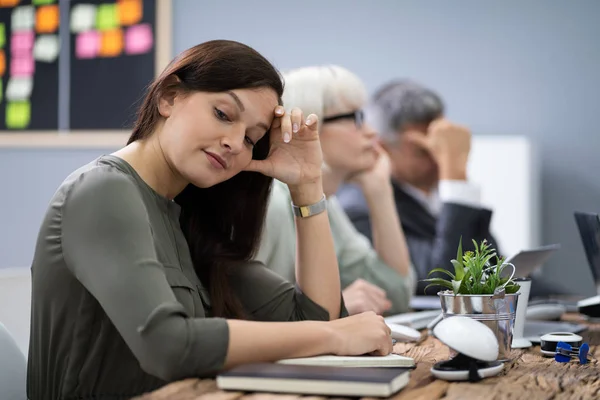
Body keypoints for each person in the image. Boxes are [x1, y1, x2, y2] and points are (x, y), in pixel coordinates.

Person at [26, 41, 394, 400]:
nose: (235, 142)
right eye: (223, 114)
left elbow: (317, 318)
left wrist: (308, 185)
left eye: (252, 138)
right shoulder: (103, 190)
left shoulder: (189, 218)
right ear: (169, 96)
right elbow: (167, 345)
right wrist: (336, 337)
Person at [255, 66, 415, 316]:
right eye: (355, 118)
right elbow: (238, 313)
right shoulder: (270, 203)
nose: (372, 132)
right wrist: (335, 307)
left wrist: (379, 191)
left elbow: (395, 294)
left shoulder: (326, 203)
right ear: (307, 124)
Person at [337, 79, 500, 295]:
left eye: (442, 147)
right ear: (382, 149)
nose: (439, 159)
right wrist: (456, 176)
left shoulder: (436, 196)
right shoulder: (360, 207)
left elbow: (492, 269)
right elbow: (444, 283)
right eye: (424, 151)